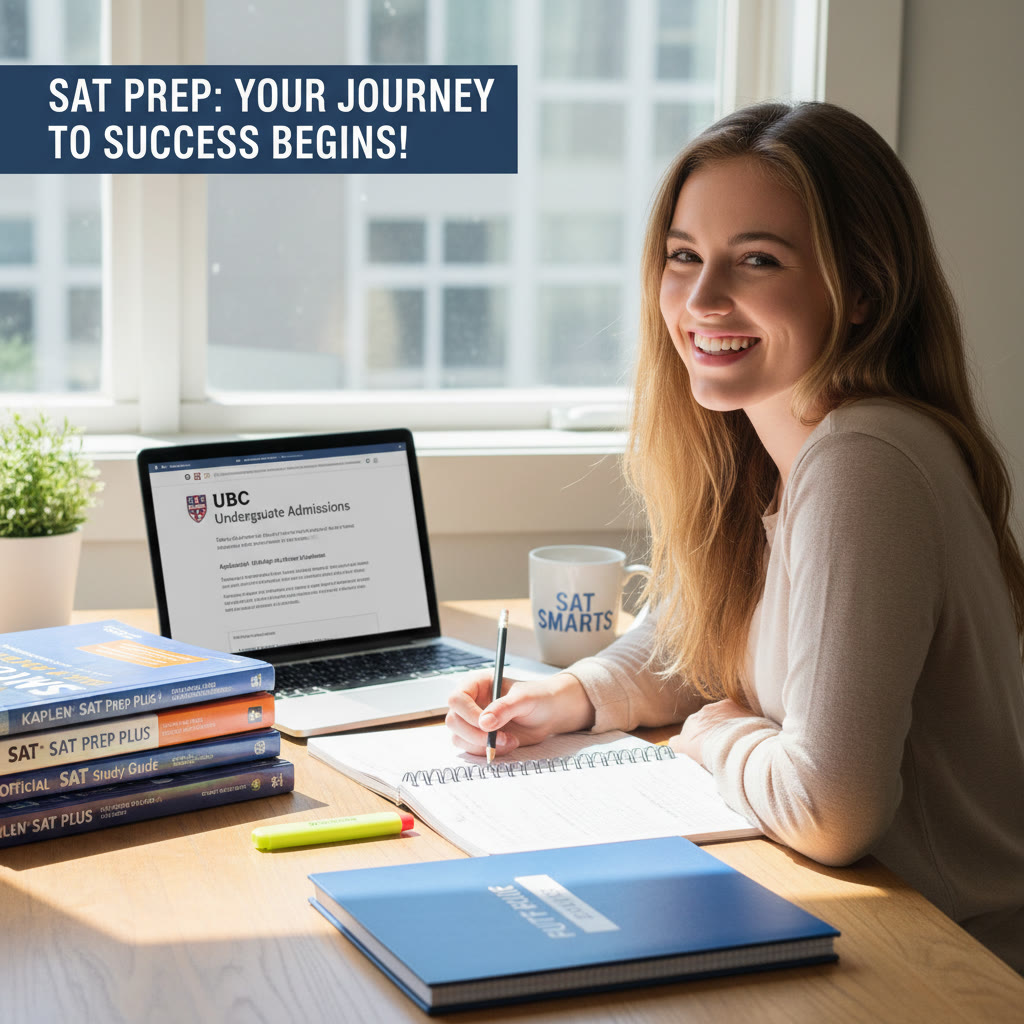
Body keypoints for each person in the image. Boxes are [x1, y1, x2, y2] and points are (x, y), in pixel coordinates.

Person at [446, 101, 1024, 972]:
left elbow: (830, 812)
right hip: (864, 926)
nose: (703, 299)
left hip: (952, 960)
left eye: (757, 260)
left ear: (862, 289)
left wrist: (716, 734)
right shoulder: (774, 444)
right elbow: (698, 644)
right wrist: (576, 698)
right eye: (684, 257)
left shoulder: (863, 461)